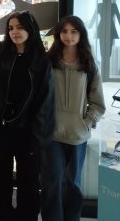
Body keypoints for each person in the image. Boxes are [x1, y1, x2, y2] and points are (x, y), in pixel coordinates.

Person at [0, 11, 55, 221]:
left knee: (29, 182)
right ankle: (5, 215)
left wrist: (37, 136)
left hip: (27, 128)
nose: (14, 32)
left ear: (30, 29)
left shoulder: (41, 59)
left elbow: (45, 100)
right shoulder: (0, 51)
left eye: (19, 27)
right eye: (10, 28)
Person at [41, 16, 105, 221]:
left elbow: (98, 102)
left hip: (77, 134)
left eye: (73, 31)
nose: (68, 36)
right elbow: (38, 96)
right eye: (64, 31)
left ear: (81, 34)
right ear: (58, 34)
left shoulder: (88, 63)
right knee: (52, 182)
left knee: (72, 183)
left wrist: (87, 122)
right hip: (52, 133)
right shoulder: (48, 61)